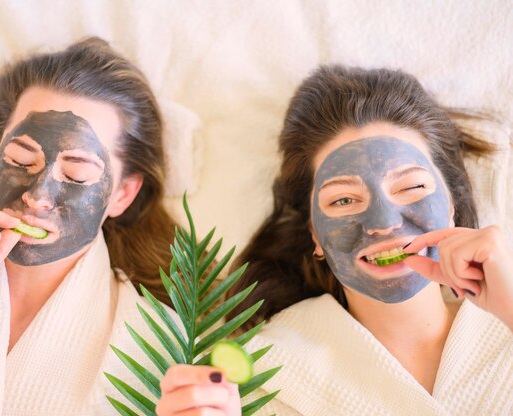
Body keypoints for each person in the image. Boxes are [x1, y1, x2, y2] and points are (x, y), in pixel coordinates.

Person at [155, 66, 513, 415]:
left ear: (452, 205)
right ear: (314, 233)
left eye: (411, 187)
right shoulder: (264, 379)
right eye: (343, 200)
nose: (383, 223)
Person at [0, 37, 180, 415]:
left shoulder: (160, 351)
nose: (38, 196)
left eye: (75, 174)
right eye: (20, 160)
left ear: (122, 195)